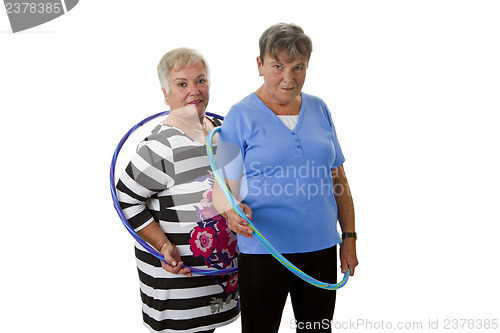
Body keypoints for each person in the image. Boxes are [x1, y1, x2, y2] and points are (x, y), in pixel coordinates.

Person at [213, 23, 358, 332]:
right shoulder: (239, 115)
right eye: (277, 66)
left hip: (320, 247)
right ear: (260, 65)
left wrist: (349, 238)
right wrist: (230, 212)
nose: (288, 78)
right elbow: (223, 184)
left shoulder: (320, 109)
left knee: (316, 329)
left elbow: (339, 178)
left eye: (298, 67)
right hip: (263, 251)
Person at [115, 47, 239, 333]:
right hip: (178, 288)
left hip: (218, 284)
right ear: (165, 93)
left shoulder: (222, 131)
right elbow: (126, 200)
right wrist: (162, 245)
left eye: (201, 80)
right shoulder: (160, 146)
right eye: (182, 84)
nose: (194, 90)